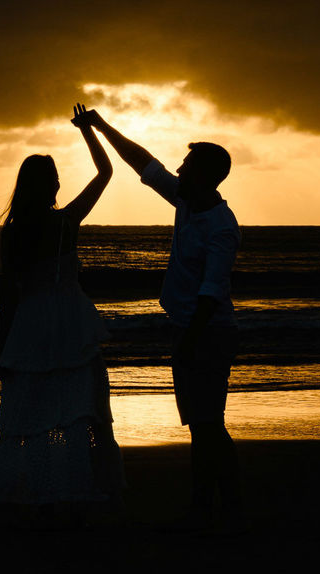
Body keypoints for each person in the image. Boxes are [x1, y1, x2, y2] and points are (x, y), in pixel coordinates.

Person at [81, 107, 245, 535]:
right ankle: (209, 507)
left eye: (186, 165)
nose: (178, 169)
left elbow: (212, 291)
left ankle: (222, 507)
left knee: (208, 425)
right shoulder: (187, 201)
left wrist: (189, 341)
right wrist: (100, 126)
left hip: (206, 333)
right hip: (191, 330)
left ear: (204, 175)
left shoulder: (220, 226)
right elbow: (143, 163)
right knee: (202, 425)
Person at [0, 104, 125, 527]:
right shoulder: (65, 223)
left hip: (31, 325)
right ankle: (76, 490)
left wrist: (4, 346)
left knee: (33, 413)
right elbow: (106, 172)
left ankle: (40, 493)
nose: (58, 183)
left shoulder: (15, 231)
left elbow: (8, 294)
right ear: (48, 185)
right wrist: (88, 130)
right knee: (81, 410)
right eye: (54, 178)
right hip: (72, 322)